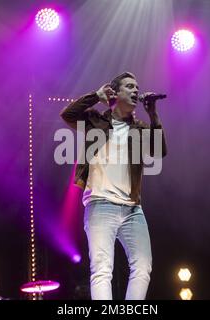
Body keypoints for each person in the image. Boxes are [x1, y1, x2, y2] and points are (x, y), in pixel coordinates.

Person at [60, 72, 167, 300]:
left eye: (137, 87)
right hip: (100, 205)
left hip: (132, 209)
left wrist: (153, 114)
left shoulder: (139, 128)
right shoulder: (95, 120)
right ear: (115, 93)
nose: (136, 90)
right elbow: (67, 114)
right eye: (129, 86)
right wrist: (95, 96)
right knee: (102, 270)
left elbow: (159, 151)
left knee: (143, 267)